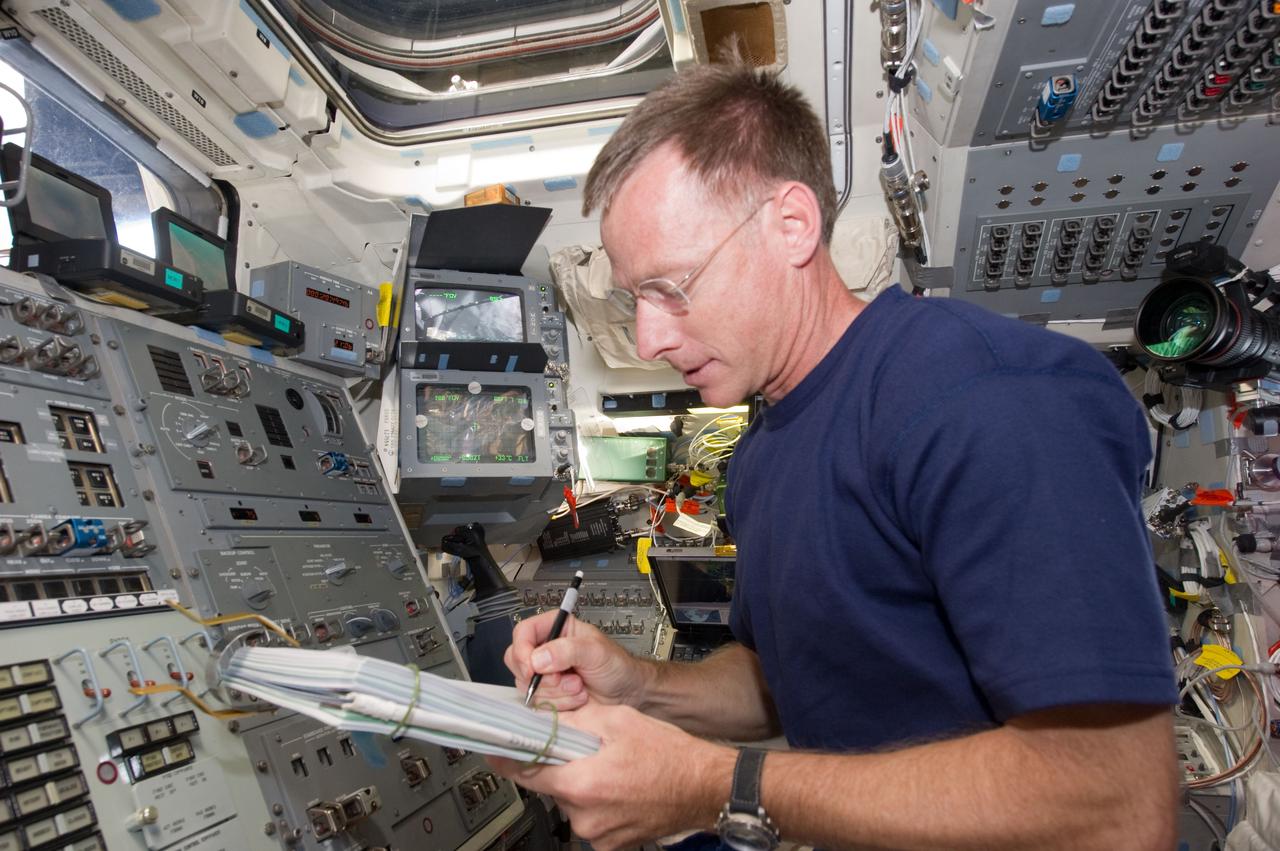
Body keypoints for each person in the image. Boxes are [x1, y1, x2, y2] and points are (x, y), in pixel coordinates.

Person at [487, 60, 1179, 851]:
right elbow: (781, 681)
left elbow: (1117, 805)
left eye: (671, 288)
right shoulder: (763, 449)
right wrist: (637, 683)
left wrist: (712, 787)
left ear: (791, 225)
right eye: (633, 299)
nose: (649, 338)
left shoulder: (985, 398)